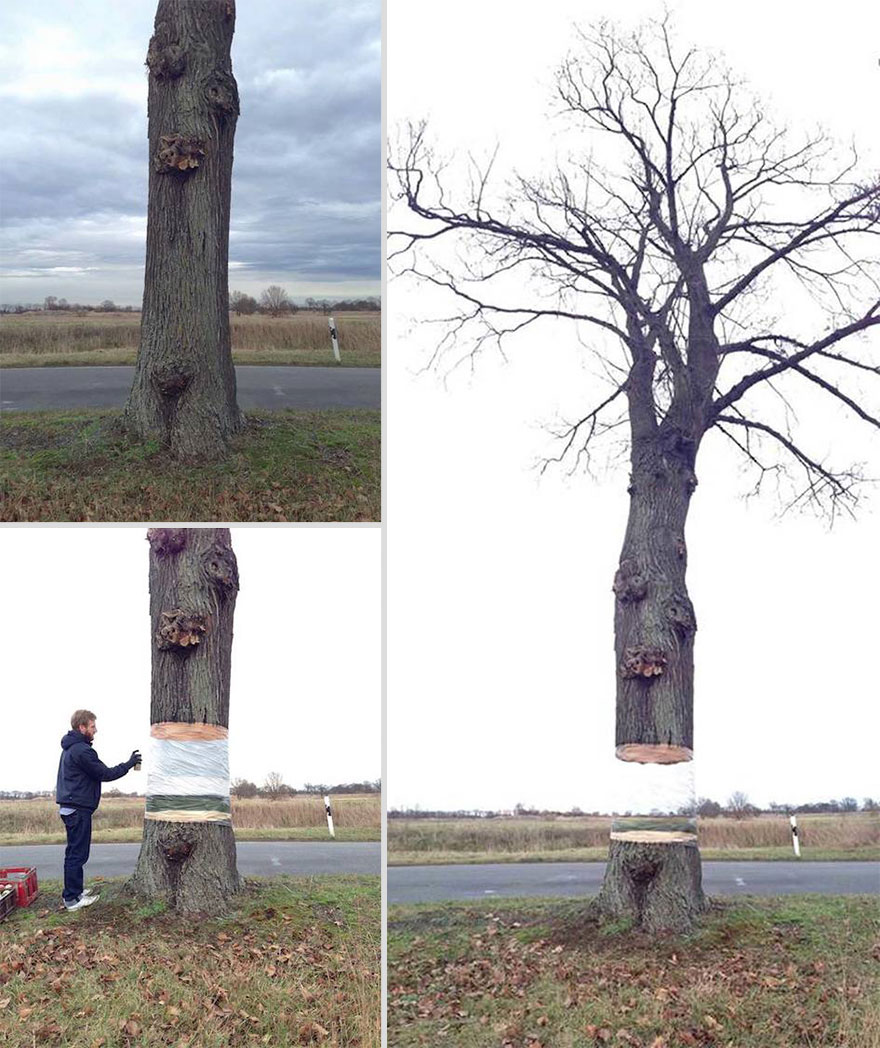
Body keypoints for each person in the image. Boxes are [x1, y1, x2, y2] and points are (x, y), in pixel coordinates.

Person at [55, 709, 141, 911]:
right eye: (92, 726)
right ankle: (72, 899)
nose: (96, 730)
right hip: (77, 809)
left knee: (74, 853)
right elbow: (105, 773)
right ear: (82, 727)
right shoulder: (82, 751)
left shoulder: (71, 748)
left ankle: (75, 892)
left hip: (71, 807)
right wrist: (128, 764)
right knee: (77, 854)